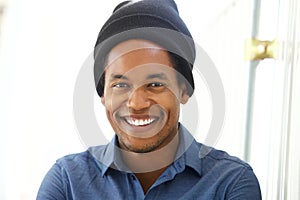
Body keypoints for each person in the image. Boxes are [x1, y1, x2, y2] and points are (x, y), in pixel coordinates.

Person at [37, 0, 262, 199]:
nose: (136, 103)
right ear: (103, 95)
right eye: (120, 85)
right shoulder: (67, 181)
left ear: (184, 90)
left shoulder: (230, 183)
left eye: (155, 84)